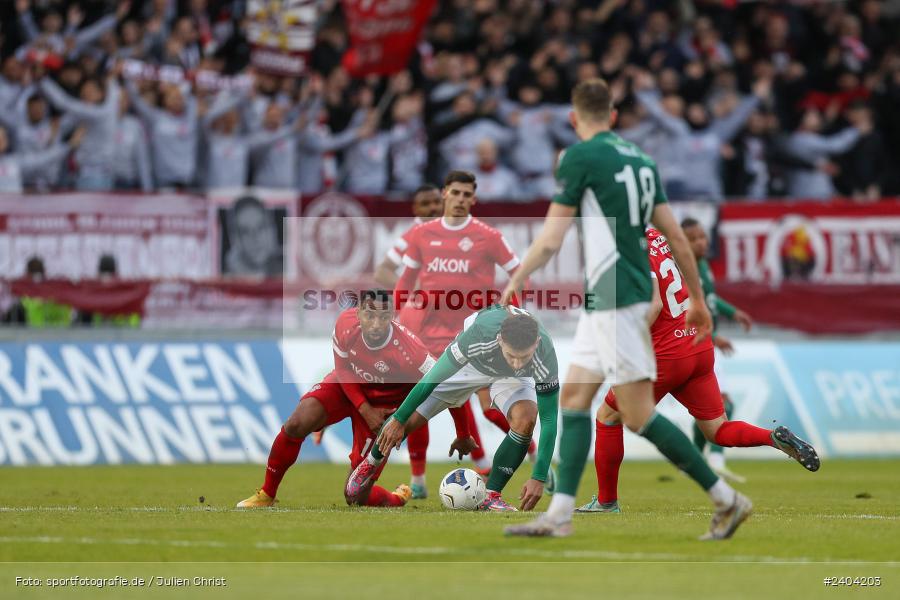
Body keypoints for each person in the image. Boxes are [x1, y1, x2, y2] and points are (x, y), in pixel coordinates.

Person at [501, 78, 747, 540]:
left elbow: (552, 237)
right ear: (613, 117)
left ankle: (726, 499)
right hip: (610, 297)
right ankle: (560, 516)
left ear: (574, 119)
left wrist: (517, 276)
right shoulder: (644, 162)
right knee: (576, 399)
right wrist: (697, 299)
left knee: (634, 415)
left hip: (619, 298)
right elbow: (676, 238)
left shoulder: (577, 157)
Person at [576, 228, 819, 513]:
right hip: (697, 344)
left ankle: (606, 502)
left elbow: (653, 304)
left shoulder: (626, 246)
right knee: (718, 430)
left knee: (608, 415)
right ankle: (773, 437)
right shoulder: (656, 235)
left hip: (666, 353)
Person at [389, 171, 527, 498]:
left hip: (479, 336)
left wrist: (517, 321)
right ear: (445, 193)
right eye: (456, 193)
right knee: (420, 398)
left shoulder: (487, 236)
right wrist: (395, 320)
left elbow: (518, 274)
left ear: (473, 199)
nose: (462, 200)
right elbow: (404, 281)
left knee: (489, 405)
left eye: (468, 194)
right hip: (431, 336)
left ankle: (530, 452)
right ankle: (418, 478)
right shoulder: (421, 234)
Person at [346, 304, 559, 512]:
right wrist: (399, 419)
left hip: (511, 381)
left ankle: (491, 495)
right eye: (512, 355)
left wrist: (538, 477)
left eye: (524, 357)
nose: (517, 364)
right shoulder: (479, 336)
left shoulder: (544, 354)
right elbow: (431, 379)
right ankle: (370, 462)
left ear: (537, 342)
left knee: (527, 419)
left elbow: (549, 420)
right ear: (500, 340)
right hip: (472, 366)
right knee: (408, 423)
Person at [237, 292, 435, 508]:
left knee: (355, 496)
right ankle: (267, 494)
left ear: (392, 317)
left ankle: (397, 498)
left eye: (383, 317)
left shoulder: (411, 351)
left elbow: (443, 384)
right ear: (358, 313)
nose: (376, 324)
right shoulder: (345, 324)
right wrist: (362, 409)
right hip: (347, 386)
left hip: (382, 410)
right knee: (296, 423)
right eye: (369, 315)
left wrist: (460, 432)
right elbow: (342, 369)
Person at [681, 218, 754, 483]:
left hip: (703, 341)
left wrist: (732, 312)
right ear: (682, 242)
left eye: (703, 237)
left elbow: (709, 300)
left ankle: (693, 459)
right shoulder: (683, 269)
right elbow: (683, 311)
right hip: (695, 341)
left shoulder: (702, 266)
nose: (702, 242)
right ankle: (715, 459)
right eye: (695, 238)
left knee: (706, 410)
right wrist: (714, 336)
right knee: (724, 404)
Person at [373, 184, 444, 289]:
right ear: (415, 209)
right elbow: (381, 272)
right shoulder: (412, 236)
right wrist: (412, 288)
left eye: (437, 202)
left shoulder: (455, 228)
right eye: (426, 204)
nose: (433, 208)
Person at [222, 195, 283, 277]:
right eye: (245, 232)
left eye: (261, 227)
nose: (255, 238)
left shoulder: (286, 267)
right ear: (236, 239)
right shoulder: (226, 276)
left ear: (272, 230)